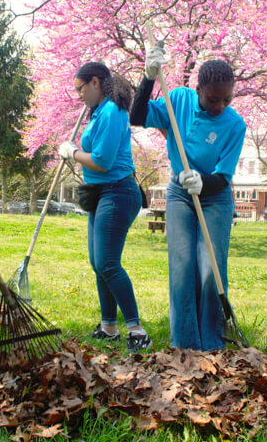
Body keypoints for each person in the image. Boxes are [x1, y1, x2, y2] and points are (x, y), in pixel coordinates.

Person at [129, 45, 246, 351]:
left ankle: (212, 344)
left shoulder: (235, 125)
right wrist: (148, 78)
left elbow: (223, 178)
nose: (219, 105)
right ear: (198, 90)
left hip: (216, 197)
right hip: (180, 194)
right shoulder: (177, 98)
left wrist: (202, 182)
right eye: (212, 99)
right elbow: (138, 116)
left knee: (210, 271)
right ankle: (184, 345)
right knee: (182, 267)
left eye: (226, 99)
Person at [58, 62, 151, 353]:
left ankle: (136, 329)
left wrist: (73, 153)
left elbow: (102, 161)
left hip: (119, 191)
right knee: (98, 263)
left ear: (95, 82)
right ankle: (108, 326)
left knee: (108, 263)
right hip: (102, 192)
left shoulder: (112, 111)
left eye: (80, 89)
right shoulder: (98, 112)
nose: (79, 96)